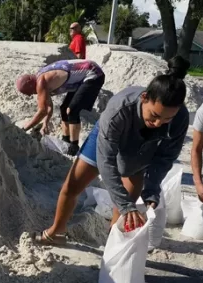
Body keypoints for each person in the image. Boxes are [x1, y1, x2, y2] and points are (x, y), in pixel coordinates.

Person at [34, 57, 191, 244]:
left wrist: (152, 188)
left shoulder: (180, 117)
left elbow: (165, 157)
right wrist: (126, 205)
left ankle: (113, 244)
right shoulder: (120, 108)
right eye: (155, 115)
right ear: (144, 98)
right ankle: (56, 231)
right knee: (72, 186)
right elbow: (106, 160)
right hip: (107, 137)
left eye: (166, 119)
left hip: (140, 144)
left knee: (128, 204)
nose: (158, 123)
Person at [16, 59, 106, 156]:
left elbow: (42, 111)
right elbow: (49, 107)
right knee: (64, 108)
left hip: (93, 73)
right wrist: (45, 123)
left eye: (27, 92)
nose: (29, 95)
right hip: (82, 77)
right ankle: (66, 141)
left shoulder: (41, 82)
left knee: (72, 110)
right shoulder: (40, 78)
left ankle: (74, 147)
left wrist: (24, 129)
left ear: (30, 84)